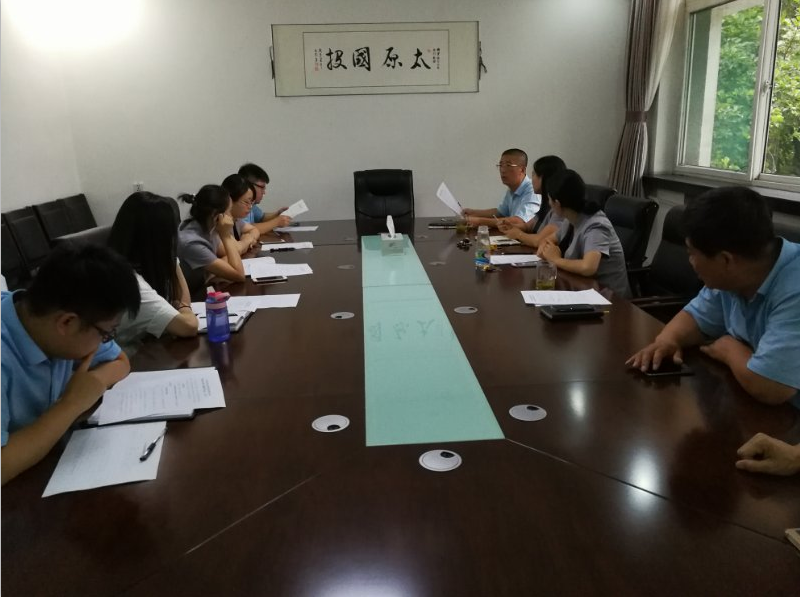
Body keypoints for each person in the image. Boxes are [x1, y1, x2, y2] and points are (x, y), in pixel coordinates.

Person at [627, 187, 800, 407]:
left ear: (726, 260)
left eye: (692, 253)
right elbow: (695, 317)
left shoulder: (794, 287)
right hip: (750, 401)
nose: (690, 262)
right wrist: (668, 341)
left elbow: (772, 387)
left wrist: (729, 349)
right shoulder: (735, 275)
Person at [1, 244, 140, 484]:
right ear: (66, 323)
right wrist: (72, 403)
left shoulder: (48, 317)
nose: (106, 341)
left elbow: (120, 362)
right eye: (106, 334)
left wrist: (94, 382)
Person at [108, 192, 198, 352]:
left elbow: (182, 299)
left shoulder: (128, 263)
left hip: (145, 349)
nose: (176, 238)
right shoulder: (130, 284)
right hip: (128, 359)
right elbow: (188, 326)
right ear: (159, 239)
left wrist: (171, 258)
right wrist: (184, 309)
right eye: (172, 233)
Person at [536, 169, 630, 297]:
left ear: (557, 203)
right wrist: (545, 246)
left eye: (549, 199)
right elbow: (550, 239)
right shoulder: (572, 218)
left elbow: (588, 267)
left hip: (609, 299)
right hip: (583, 289)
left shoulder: (596, 225)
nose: (549, 203)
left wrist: (555, 260)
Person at [178, 184, 246, 285]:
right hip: (195, 292)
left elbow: (232, 253)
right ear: (216, 215)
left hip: (203, 285)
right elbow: (239, 275)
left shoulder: (206, 227)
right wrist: (225, 235)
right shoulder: (192, 242)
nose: (231, 217)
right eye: (229, 211)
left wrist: (216, 269)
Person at [498, 155, 567, 248]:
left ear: (544, 178)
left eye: (534, 174)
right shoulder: (546, 204)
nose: (532, 180)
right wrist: (510, 227)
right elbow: (528, 226)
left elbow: (540, 240)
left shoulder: (558, 208)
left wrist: (518, 235)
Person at [462, 148, 538, 228]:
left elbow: (519, 221)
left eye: (508, 165)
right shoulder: (512, 188)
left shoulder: (533, 190)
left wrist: (479, 221)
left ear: (522, 170)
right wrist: (473, 212)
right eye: (501, 165)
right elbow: (500, 213)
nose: (503, 170)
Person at [238, 163, 292, 235]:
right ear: (249, 185)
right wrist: (276, 222)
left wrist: (278, 213)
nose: (264, 192)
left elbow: (261, 218)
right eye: (262, 188)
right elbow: (246, 228)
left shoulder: (252, 204)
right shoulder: (239, 203)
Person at [221, 174, 261, 255]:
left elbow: (254, 230)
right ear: (230, 200)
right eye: (246, 202)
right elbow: (235, 250)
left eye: (251, 202)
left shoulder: (236, 220)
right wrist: (247, 240)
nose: (250, 207)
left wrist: (249, 237)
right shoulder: (220, 222)